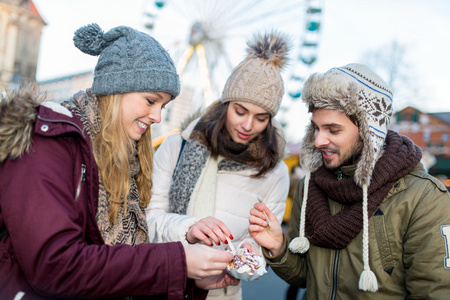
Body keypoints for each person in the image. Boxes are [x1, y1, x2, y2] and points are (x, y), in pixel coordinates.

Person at [0, 23, 238, 299]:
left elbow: (120, 269)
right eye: (150, 101)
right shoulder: (48, 143)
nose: (157, 117)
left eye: (163, 106)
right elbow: (55, 266)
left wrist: (189, 280)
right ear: (116, 88)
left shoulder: (125, 157)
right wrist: (179, 262)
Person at [249, 63, 450, 299]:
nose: (318, 141)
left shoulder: (423, 198)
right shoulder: (309, 187)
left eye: (333, 130)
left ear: (369, 132)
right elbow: (306, 276)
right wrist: (280, 247)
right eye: (316, 128)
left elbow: (435, 292)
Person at [146, 31, 291, 300]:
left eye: (261, 118)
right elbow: (147, 220)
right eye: (240, 111)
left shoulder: (275, 172)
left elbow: (260, 244)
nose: (248, 125)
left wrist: (249, 255)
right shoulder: (177, 146)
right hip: (164, 286)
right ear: (225, 104)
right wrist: (188, 229)